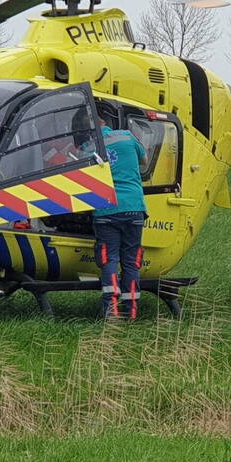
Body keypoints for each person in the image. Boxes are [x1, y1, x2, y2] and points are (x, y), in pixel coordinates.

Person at [90, 110, 148, 320]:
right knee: (132, 262)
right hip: (134, 207)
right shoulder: (127, 136)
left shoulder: (91, 146)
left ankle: (111, 311)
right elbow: (145, 160)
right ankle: (132, 311)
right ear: (107, 124)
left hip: (106, 210)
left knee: (109, 259)